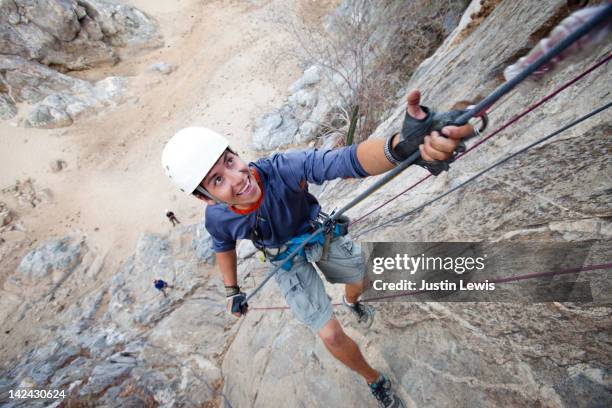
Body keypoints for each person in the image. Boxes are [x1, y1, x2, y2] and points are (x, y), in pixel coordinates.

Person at [161, 90, 474, 408]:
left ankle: (352, 301)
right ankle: (374, 380)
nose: (237, 179)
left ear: (236, 153)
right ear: (205, 198)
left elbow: (345, 161)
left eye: (230, 161)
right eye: (217, 181)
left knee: (360, 279)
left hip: (318, 235)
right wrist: (232, 290)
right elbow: (223, 246)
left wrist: (401, 148)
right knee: (331, 336)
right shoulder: (218, 217)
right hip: (285, 261)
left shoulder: (282, 169)